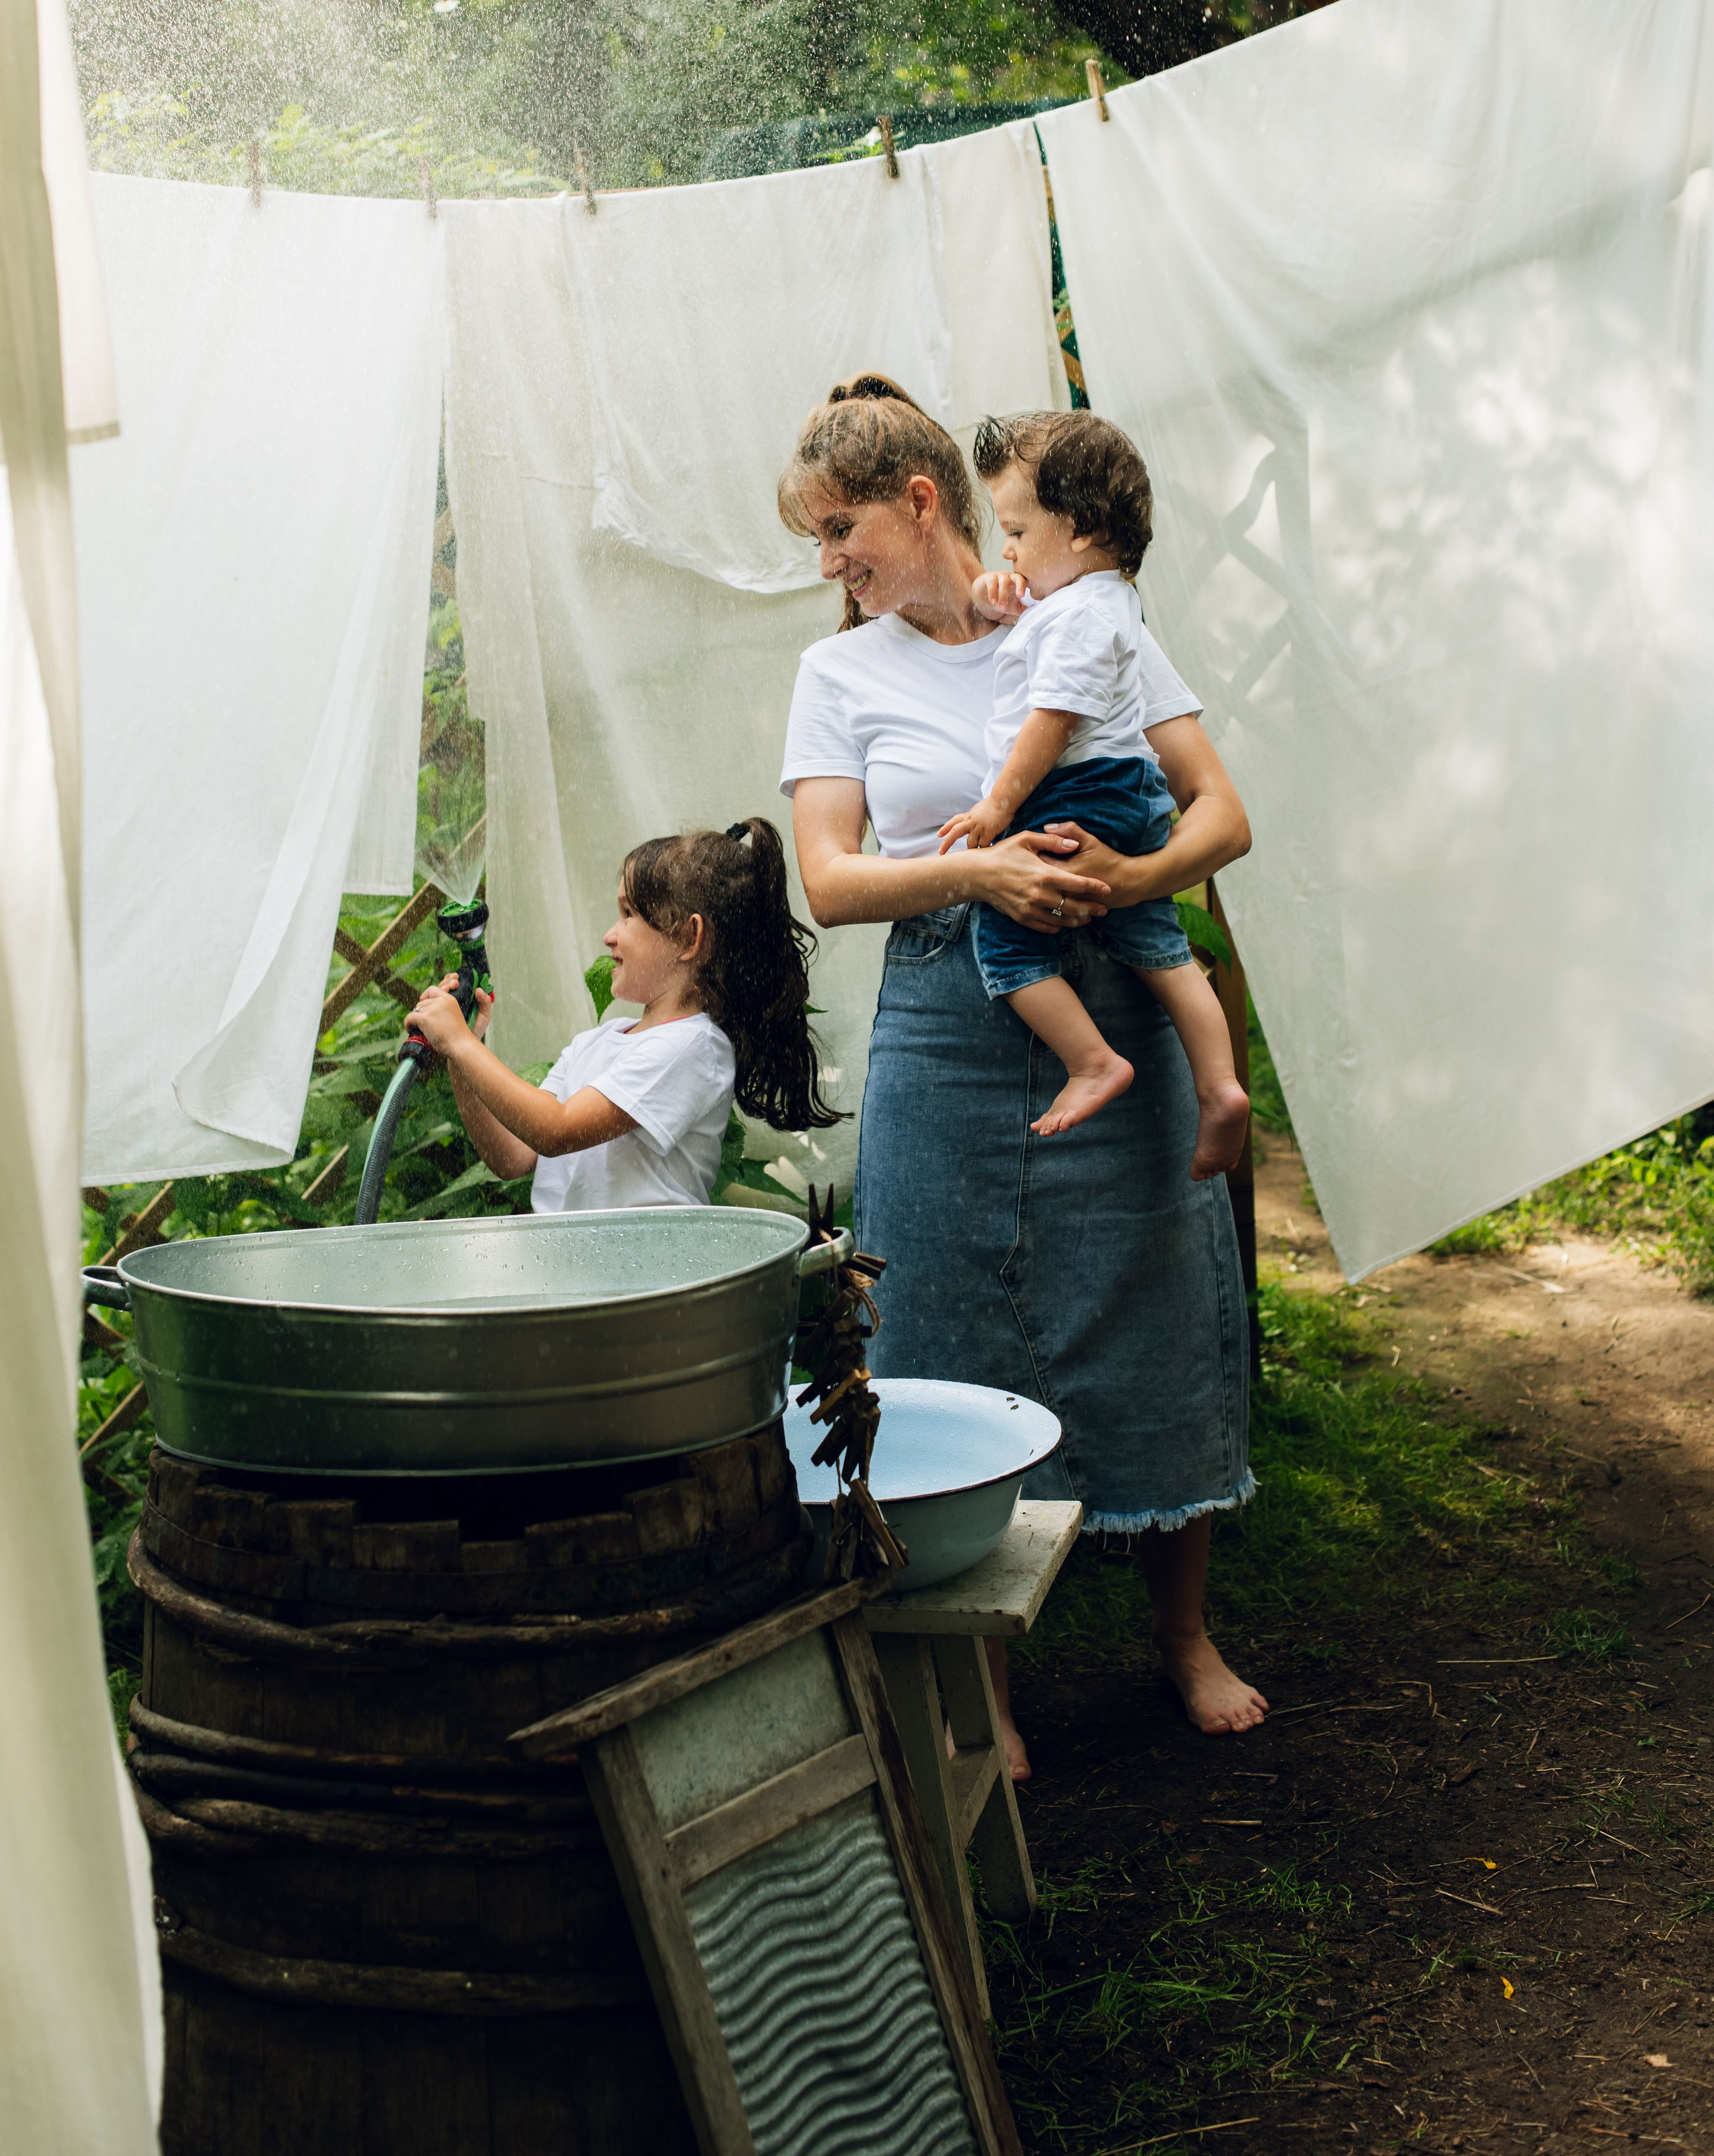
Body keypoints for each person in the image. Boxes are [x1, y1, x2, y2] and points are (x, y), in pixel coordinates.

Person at [778, 373, 1265, 1765]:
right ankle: (980, 1680)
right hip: (943, 1023)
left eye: (840, 530)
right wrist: (980, 871)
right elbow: (830, 882)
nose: (830, 564)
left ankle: (1182, 1635)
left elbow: (1217, 812)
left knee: (1160, 1293)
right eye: (818, 541)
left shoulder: (1074, 615)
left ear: (916, 500)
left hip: (1108, 994)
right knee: (939, 1330)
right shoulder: (838, 675)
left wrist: (1134, 876)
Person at [937, 410, 1250, 1172]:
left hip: (1077, 789)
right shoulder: (1098, 604)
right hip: (1128, 791)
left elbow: (1052, 720)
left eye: (1017, 531)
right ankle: (1220, 1086)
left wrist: (999, 804)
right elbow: (1043, 625)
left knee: (1004, 935)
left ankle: (1091, 1061)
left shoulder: (1078, 616)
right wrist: (1004, 599)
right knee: (1159, 944)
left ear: (1079, 528)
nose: (1006, 549)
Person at [406, 818, 840, 1207]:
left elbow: (555, 1131)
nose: (609, 935)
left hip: (645, 1269)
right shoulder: (596, 1043)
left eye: (629, 914)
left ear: (689, 938)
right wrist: (462, 1049)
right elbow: (513, 1156)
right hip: (578, 1267)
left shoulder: (692, 1048)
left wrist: (459, 1042)